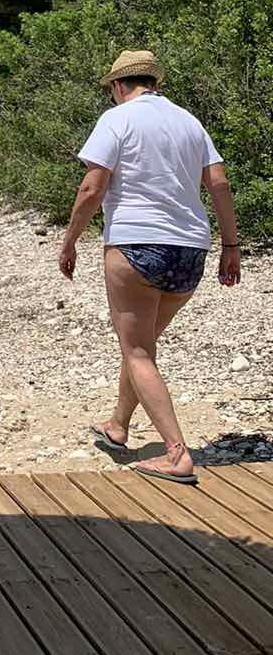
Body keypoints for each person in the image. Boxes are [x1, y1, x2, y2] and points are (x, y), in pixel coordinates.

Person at [59, 50, 241, 485]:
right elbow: (218, 183)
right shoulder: (189, 122)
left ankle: (176, 454)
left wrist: (70, 240)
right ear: (154, 82)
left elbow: (92, 187)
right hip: (190, 251)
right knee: (141, 345)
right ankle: (117, 425)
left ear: (117, 85)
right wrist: (231, 245)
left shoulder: (117, 119)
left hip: (135, 245)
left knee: (137, 351)